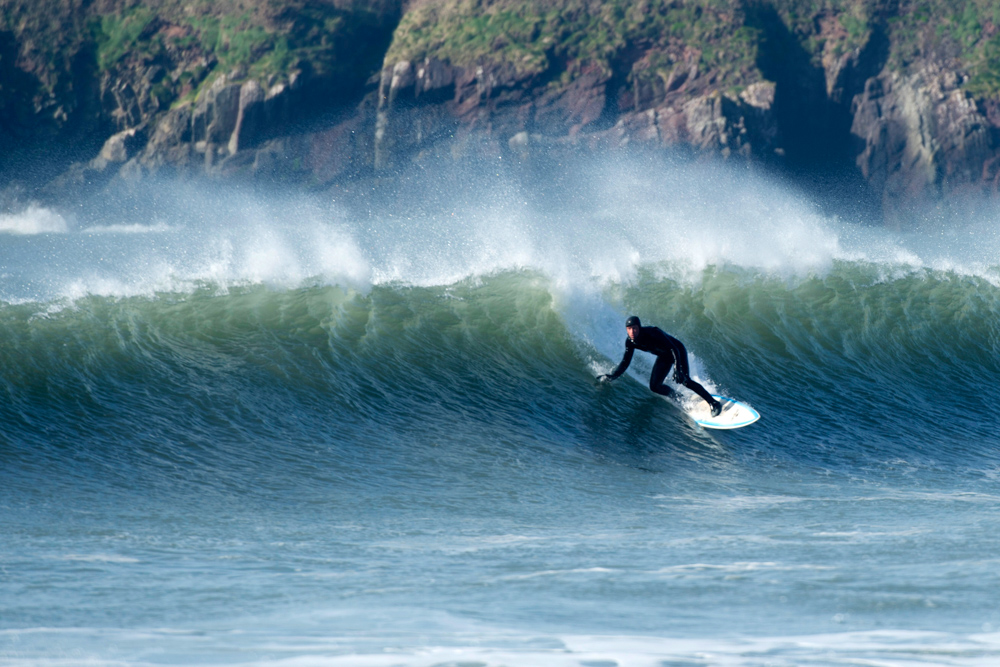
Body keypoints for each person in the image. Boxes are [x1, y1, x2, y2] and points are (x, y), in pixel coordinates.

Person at [599, 315, 723, 417]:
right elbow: (625, 362)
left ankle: (714, 403)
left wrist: (677, 368)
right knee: (654, 386)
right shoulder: (630, 342)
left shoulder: (653, 332)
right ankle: (678, 397)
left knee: (685, 380)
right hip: (664, 357)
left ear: (639, 327)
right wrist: (612, 376)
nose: (632, 332)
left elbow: (673, 348)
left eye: (635, 328)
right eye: (629, 329)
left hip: (677, 351)